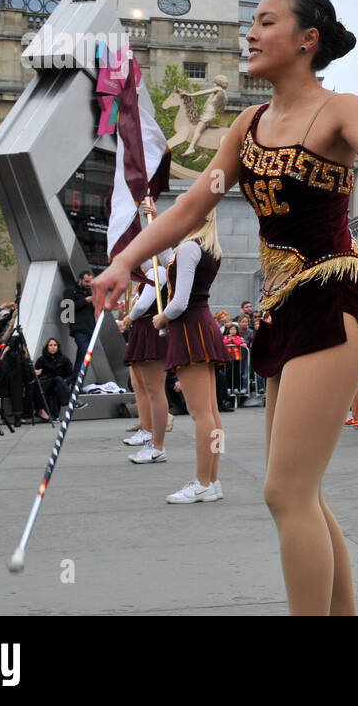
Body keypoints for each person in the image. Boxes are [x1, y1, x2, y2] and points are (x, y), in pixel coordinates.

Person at [92, 0, 358, 614]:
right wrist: (124, 261)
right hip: (282, 309)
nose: (251, 32)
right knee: (302, 492)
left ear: (307, 40)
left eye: (265, 21)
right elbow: (193, 205)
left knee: (285, 492)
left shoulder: (341, 109)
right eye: (251, 22)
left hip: (335, 298)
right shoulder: (246, 126)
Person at [149, 213, 231, 500]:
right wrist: (155, 219)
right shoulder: (208, 248)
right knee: (211, 413)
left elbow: (179, 300)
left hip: (188, 329)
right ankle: (211, 481)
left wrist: (161, 318)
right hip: (202, 325)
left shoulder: (189, 248)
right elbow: (169, 257)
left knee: (201, 413)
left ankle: (203, 482)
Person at [122, 232, 173, 461]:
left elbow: (144, 305)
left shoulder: (158, 271)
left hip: (151, 330)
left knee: (154, 390)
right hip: (143, 330)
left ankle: (155, 441)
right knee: (142, 385)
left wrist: (129, 318)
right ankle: (148, 431)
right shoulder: (148, 275)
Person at [34, 337, 74, 420]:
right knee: (58, 379)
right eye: (50, 345)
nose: (53, 347)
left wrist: (65, 381)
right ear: (47, 347)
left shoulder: (64, 359)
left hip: (60, 384)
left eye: (55, 345)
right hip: (46, 385)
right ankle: (72, 401)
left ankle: (55, 416)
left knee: (58, 385)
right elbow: (37, 375)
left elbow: (70, 374)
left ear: (58, 347)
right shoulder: (41, 360)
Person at [65, 271, 94, 380]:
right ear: (80, 280)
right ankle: (74, 381)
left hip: (90, 328)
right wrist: (85, 301)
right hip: (78, 328)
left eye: (90, 282)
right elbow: (66, 310)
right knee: (84, 352)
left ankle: (73, 381)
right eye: (86, 281)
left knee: (83, 355)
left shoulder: (90, 291)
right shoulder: (70, 290)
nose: (88, 284)